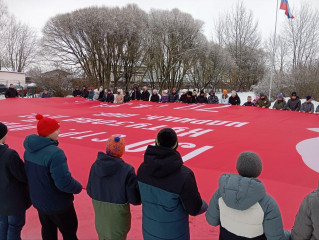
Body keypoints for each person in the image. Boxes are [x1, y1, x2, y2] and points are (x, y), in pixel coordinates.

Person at [137, 128, 208, 240]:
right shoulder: (184, 175)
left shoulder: (142, 169)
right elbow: (194, 208)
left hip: (149, 232)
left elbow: (138, 197)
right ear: (176, 145)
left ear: (156, 142)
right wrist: (205, 205)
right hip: (175, 234)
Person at [206, 152, 291, 240]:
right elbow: (276, 237)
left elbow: (211, 220)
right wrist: (289, 234)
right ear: (258, 170)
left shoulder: (220, 193)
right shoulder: (267, 203)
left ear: (238, 167)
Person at [24, 114, 82, 240]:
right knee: (69, 232)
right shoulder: (55, 153)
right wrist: (78, 187)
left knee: (48, 230)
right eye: (56, 129)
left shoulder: (29, 150)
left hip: (39, 201)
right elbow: (63, 182)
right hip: (57, 203)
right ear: (49, 132)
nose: (59, 131)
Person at [87, 135, 141, 240]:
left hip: (100, 217)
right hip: (118, 217)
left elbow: (90, 190)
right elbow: (134, 199)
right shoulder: (127, 170)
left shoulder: (95, 166)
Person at [0, 122, 31, 240]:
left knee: (2, 224)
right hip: (13, 200)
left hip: (2, 201)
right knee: (14, 226)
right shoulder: (9, 154)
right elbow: (22, 175)